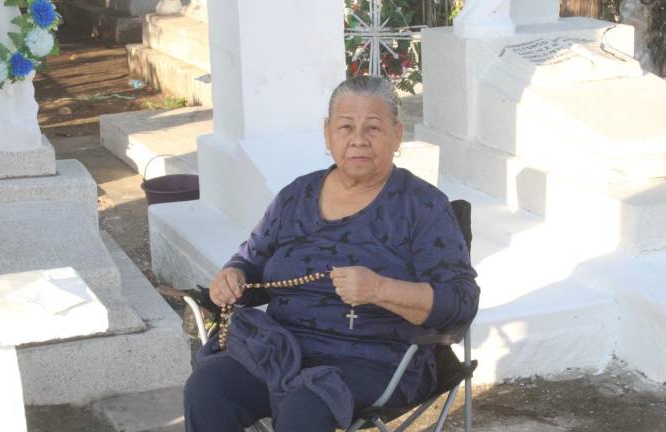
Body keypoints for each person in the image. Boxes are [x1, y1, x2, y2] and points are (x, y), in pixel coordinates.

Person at [183, 76, 480, 432]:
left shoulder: (422, 207)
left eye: (373, 127)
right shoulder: (296, 196)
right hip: (282, 350)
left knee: (303, 406)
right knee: (208, 388)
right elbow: (252, 261)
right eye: (345, 126)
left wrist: (379, 290)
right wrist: (234, 275)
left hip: (377, 360)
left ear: (397, 135)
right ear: (327, 134)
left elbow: (461, 302)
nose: (358, 139)